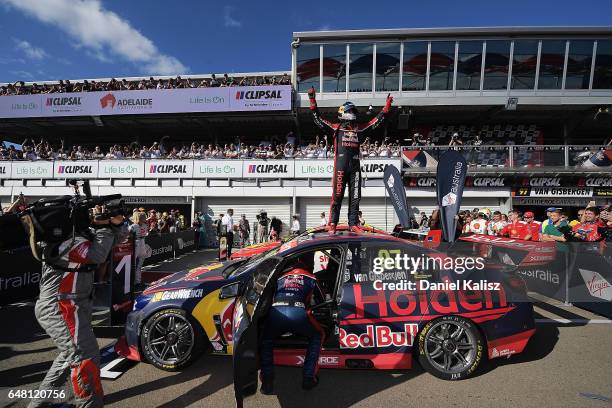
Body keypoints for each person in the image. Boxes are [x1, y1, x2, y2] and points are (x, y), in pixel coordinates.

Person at [29, 207, 127, 408]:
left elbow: (114, 241)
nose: (91, 216)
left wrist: (115, 224)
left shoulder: (79, 237)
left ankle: (39, 404)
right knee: (85, 358)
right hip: (60, 307)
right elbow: (97, 255)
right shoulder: (67, 242)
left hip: (71, 306)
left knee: (69, 357)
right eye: (87, 214)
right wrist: (104, 227)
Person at [308, 86, 393, 234]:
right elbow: (317, 120)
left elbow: (375, 122)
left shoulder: (359, 129)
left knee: (355, 196)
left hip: (355, 167)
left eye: (354, 112)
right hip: (340, 167)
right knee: (337, 196)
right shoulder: (336, 128)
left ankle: (353, 223)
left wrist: (386, 108)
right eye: (351, 111)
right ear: (343, 113)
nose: (353, 114)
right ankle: (333, 223)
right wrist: (312, 100)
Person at [259, 257, 325, 394]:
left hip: (276, 312)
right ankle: (308, 377)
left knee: (266, 340)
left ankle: (267, 381)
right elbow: (321, 300)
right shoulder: (311, 277)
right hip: (298, 313)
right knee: (317, 335)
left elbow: (269, 296)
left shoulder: (280, 277)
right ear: (306, 268)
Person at [129, 212, 149, 288]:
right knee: (133, 264)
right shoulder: (133, 226)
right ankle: (132, 282)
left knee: (139, 264)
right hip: (136, 243)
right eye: (142, 217)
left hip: (142, 242)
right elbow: (128, 235)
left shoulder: (145, 225)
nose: (144, 218)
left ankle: (138, 281)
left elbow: (146, 233)